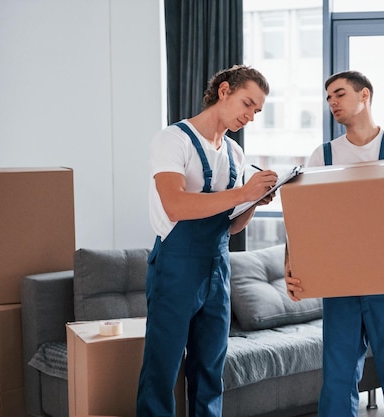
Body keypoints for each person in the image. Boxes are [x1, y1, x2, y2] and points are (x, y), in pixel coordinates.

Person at [285, 70, 384, 417]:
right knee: (338, 381)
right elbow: (301, 219)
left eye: (339, 94)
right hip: (340, 286)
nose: (333, 103)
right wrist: (292, 264)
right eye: (328, 98)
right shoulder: (322, 156)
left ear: (365, 95)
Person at [137, 65, 278, 417]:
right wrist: (242, 192)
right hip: (176, 264)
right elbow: (175, 204)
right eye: (248, 104)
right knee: (162, 367)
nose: (251, 116)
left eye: (257, 111)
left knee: (210, 370)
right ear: (224, 90)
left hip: (219, 266)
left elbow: (229, 227)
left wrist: (253, 203)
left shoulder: (234, 153)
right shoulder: (173, 139)